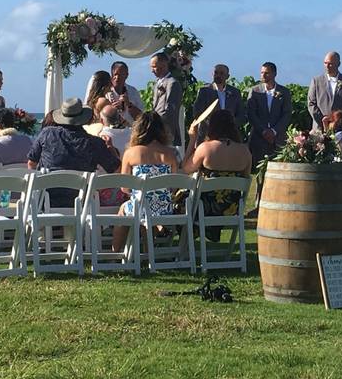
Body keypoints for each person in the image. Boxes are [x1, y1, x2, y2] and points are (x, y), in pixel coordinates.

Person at [27, 98, 121, 206]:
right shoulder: (94, 143)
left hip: (46, 200)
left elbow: (31, 163)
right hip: (82, 203)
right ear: (83, 118)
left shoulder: (47, 134)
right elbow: (116, 170)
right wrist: (110, 148)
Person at [112, 111, 180, 252]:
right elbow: (173, 186)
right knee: (148, 211)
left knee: (123, 210)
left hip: (140, 207)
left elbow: (124, 188)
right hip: (164, 209)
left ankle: (116, 251)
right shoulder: (170, 153)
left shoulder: (131, 153)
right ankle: (147, 251)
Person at [183, 109, 252, 241]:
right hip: (231, 210)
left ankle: (183, 245)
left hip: (205, 209)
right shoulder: (245, 151)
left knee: (180, 203)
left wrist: (192, 139)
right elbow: (246, 177)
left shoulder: (206, 148)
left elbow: (186, 169)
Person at [246, 62, 293, 216]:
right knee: (260, 173)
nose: (263, 76)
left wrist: (274, 131)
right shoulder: (254, 91)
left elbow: (286, 114)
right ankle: (258, 205)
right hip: (259, 139)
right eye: (261, 73)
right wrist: (264, 131)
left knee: (277, 172)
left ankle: (276, 203)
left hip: (277, 138)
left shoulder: (284, 92)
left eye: (266, 73)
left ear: (274, 74)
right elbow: (251, 114)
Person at [193, 63, 247, 141]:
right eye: (216, 73)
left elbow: (241, 115)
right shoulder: (204, 91)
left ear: (227, 76)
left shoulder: (235, 93)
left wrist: (230, 125)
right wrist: (212, 125)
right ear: (212, 74)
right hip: (208, 135)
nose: (218, 75)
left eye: (221, 73)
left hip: (230, 137)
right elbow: (197, 113)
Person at [307, 51, 342, 132]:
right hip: (319, 129)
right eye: (325, 63)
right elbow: (311, 103)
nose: (327, 66)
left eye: (330, 64)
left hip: (340, 130)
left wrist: (337, 121)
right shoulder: (316, 81)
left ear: (338, 64)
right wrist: (323, 120)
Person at [150, 52, 184, 146]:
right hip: (156, 133)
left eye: (154, 67)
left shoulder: (172, 83)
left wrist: (160, 128)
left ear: (164, 65)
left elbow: (170, 111)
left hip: (166, 133)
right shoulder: (156, 83)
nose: (152, 70)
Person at [105, 61, 144, 125]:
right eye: (115, 74)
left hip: (130, 131)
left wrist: (128, 104)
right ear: (111, 75)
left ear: (126, 75)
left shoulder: (133, 91)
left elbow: (141, 117)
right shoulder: (106, 92)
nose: (117, 77)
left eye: (120, 74)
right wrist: (112, 109)